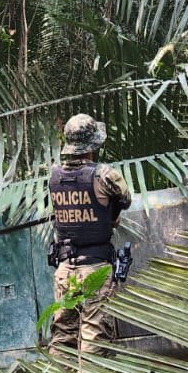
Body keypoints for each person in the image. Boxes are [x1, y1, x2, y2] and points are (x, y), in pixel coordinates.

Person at [47, 113, 130, 358]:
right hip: (94, 269)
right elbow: (125, 199)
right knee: (95, 335)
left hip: (65, 269)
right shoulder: (104, 175)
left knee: (63, 336)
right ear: (92, 146)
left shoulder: (54, 176)